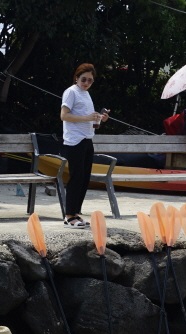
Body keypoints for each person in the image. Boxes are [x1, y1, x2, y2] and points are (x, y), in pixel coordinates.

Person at [60, 63, 108, 229]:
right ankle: (68, 216)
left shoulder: (86, 94)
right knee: (76, 177)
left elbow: (88, 117)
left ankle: (76, 213)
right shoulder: (71, 92)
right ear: (77, 78)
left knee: (85, 178)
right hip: (75, 141)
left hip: (87, 139)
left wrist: (99, 118)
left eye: (90, 80)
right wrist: (88, 118)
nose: (86, 83)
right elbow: (64, 116)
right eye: (84, 79)